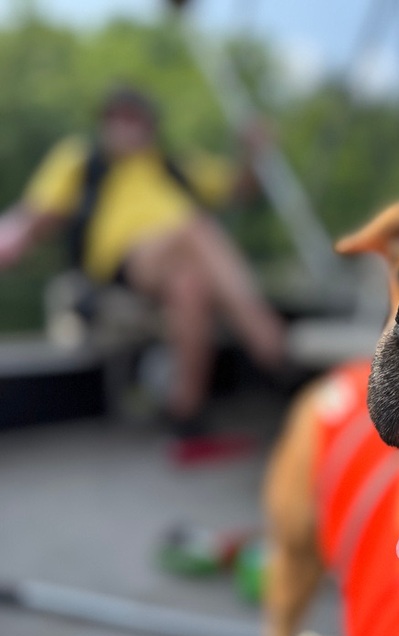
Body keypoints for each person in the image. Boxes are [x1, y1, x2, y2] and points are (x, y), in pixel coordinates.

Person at [0, 85, 286, 435]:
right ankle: (269, 344)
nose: (125, 126)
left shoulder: (175, 164)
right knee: (194, 228)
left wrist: (253, 152)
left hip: (176, 263)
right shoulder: (80, 160)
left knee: (190, 285)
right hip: (118, 266)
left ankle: (186, 411)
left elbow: (240, 188)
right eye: (116, 118)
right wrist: (10, 239)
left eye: (134, 119)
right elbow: (35, 215)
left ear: (150, 125)